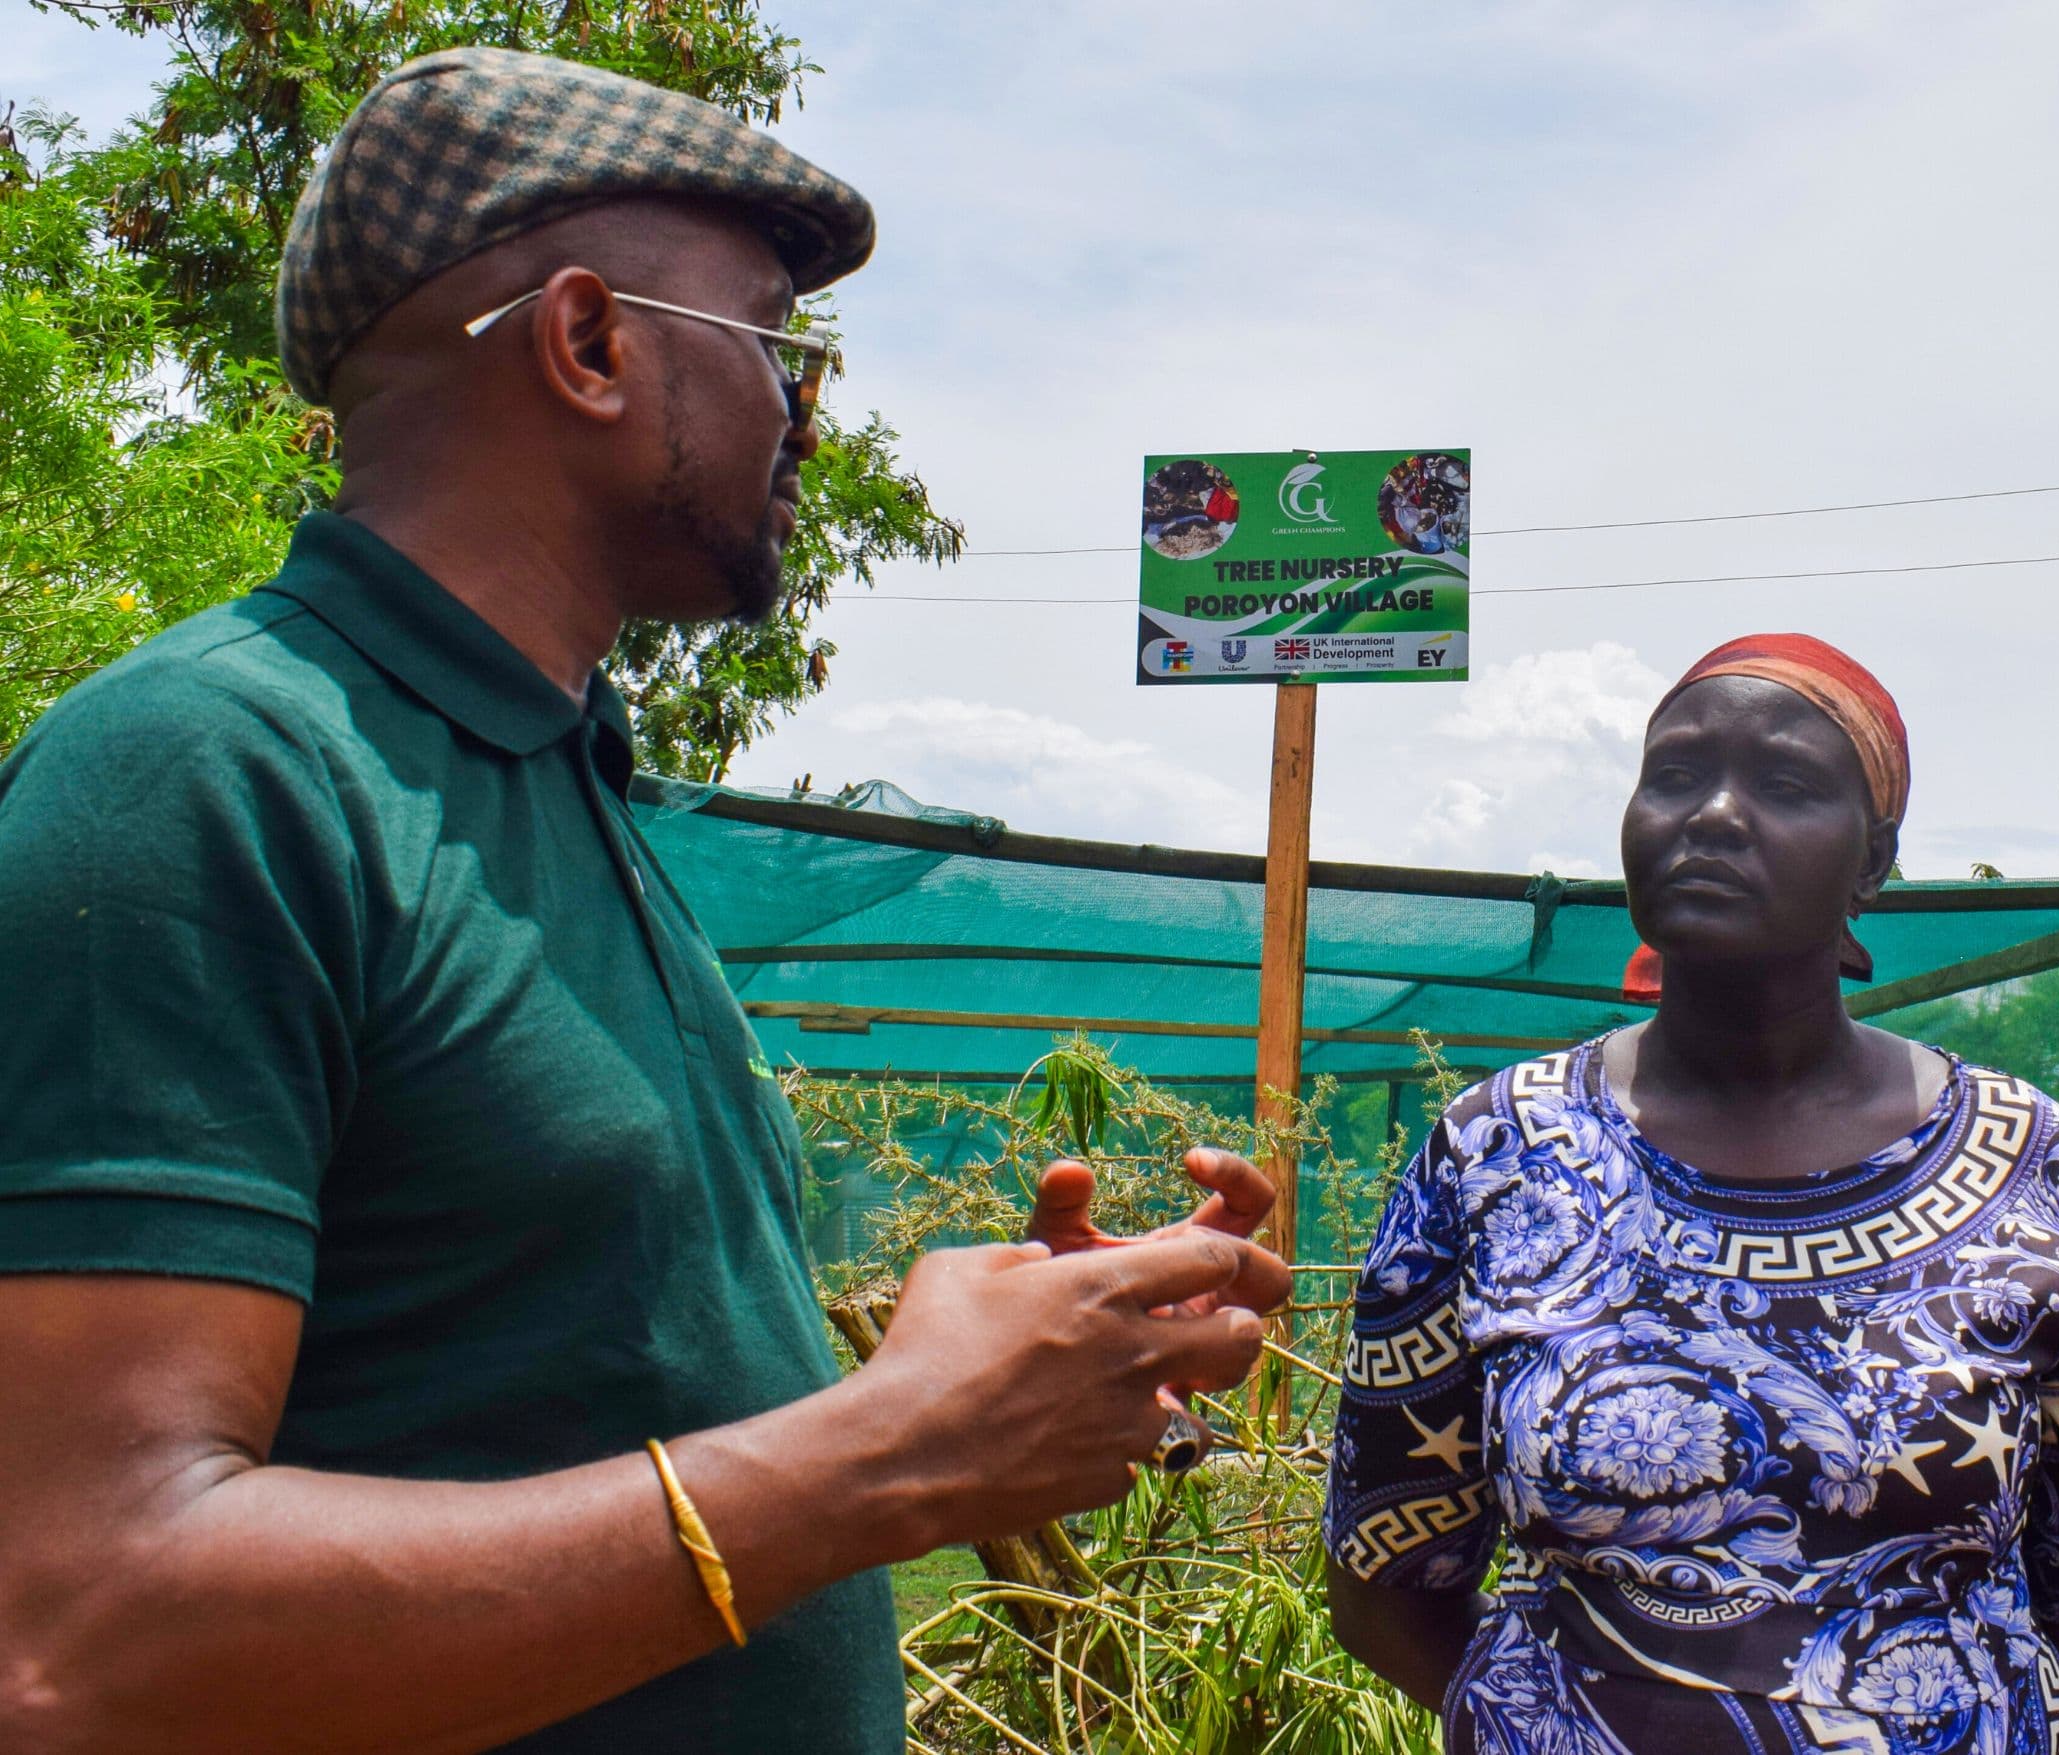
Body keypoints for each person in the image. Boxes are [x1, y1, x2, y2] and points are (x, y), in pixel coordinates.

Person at [0, 48, 1285, 1753]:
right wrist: (884, 1456)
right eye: (779, 346)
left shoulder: (552, 787)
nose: (807, 416)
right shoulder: (204, 775)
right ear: (590, 343)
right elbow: (80, 1633)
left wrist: (1011, 1379)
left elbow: (553, 1401)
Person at [1323, 633, 2059, 1755]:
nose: (1715, 816)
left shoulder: (2036, 1168)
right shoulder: (1499, 1150)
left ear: (1872, 862)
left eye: (1784, 786)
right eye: (1676, 776)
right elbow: (1384, 1577)